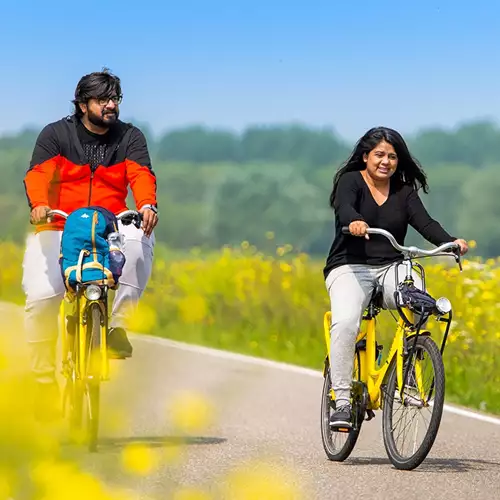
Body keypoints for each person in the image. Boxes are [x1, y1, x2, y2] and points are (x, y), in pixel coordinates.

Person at [22, 68, 158, 421]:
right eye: (104, 100)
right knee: (42, 297)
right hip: (59, 222)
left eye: (116, 99)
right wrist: (38, 204)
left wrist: (146, 204)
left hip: (110, 223)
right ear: (84, 104)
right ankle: (41, 379)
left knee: (140, 238)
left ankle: (118, 328)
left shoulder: (130, 137)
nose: (112, 105)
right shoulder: (56, 135)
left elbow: (141, 175)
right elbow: (37, 174)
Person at [323, 126, 468, 428]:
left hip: (391, 266)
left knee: (417, 303)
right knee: (347, 323)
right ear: (365, 157)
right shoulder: (351, 181)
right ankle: (342, 398)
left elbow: (425, 223)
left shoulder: (404, 192)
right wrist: (355, 222)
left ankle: (410, 376)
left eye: (392, 156)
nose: (386, 161)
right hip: (350, 266)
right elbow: (344, 207)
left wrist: (451, 242)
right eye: (379, 155)